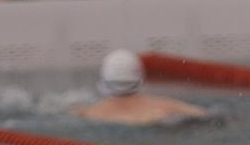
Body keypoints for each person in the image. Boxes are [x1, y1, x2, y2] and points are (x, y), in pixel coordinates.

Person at [78, 49, 209, 126]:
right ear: (140, 77)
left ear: (103, 79)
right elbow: (206, 116)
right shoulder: (167, 107)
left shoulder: (89, 113)